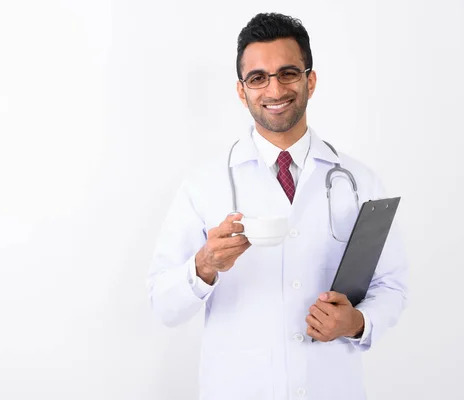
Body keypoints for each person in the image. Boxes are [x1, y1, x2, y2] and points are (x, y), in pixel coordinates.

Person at [146, 12, 408, 400]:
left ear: (310, 80)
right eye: (258, 78)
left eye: (288, 73)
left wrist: (357, 321)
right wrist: (204, 266)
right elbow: (163, 306)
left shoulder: (360, 182)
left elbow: (392, 285)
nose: (274, 89)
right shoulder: (203, 186)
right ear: (241, 91)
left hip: (331, 388)